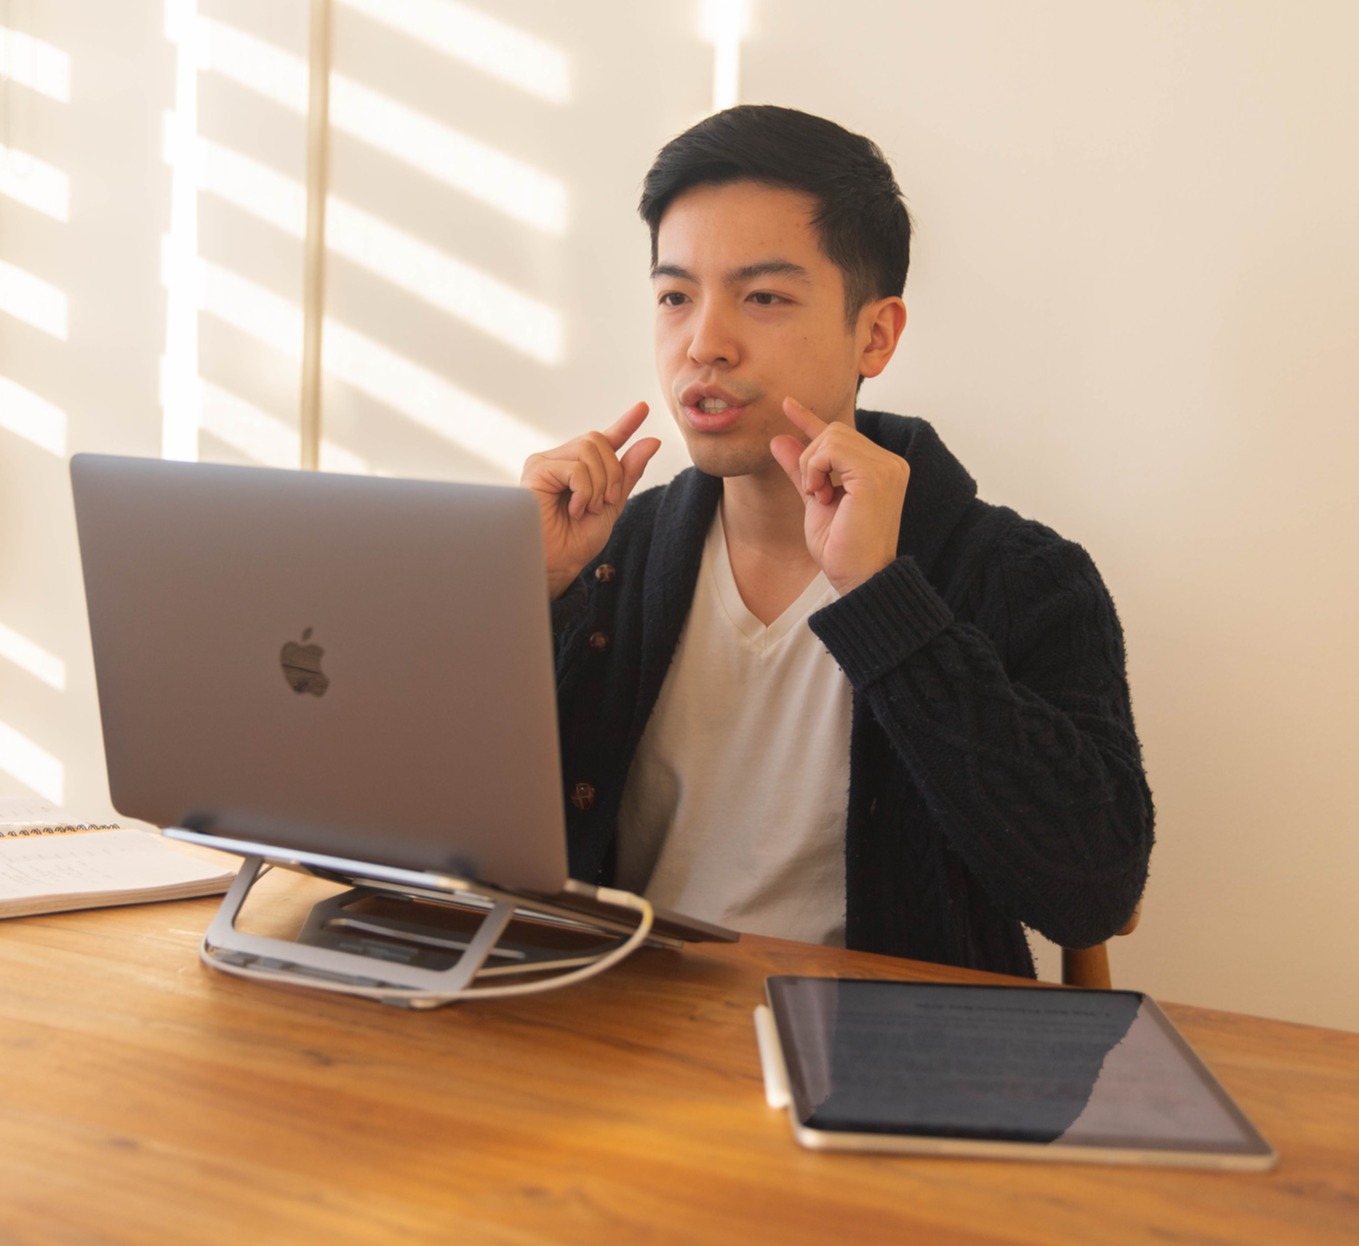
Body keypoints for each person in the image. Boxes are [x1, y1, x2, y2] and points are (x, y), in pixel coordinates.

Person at [520, 105, 1152, 977]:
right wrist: (525, 599)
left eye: (764, 297)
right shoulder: (611, 551)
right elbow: (452, 844)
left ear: (875, 334)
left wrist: (884, 602)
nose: (703, 343)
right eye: (675, 296)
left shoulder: (1023, 578)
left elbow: (1091, 892)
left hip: (891, 1059)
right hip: (619, 1026)